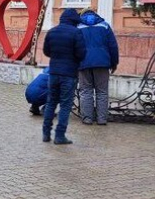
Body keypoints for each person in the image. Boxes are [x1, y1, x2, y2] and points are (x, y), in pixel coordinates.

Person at [41, 8, 86, 145]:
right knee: (65, 105)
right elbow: (81, 54)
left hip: (53, 73)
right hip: (69, 74)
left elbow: (46, 51)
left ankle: (46, 133)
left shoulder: (52, 31)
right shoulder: (76, 33)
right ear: (74, 21)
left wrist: (57, 57)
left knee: (51, 102)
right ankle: (59, 136)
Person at [77, 8, 119, 125]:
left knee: (85, 91)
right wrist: (114, 63)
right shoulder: (104, 26)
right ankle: (101, 119)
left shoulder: (78, 27)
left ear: (82, 14)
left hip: (83, 63)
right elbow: (113, 46)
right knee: (102, 92)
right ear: (95, 14)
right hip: (102, 63)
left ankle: (87, 119)